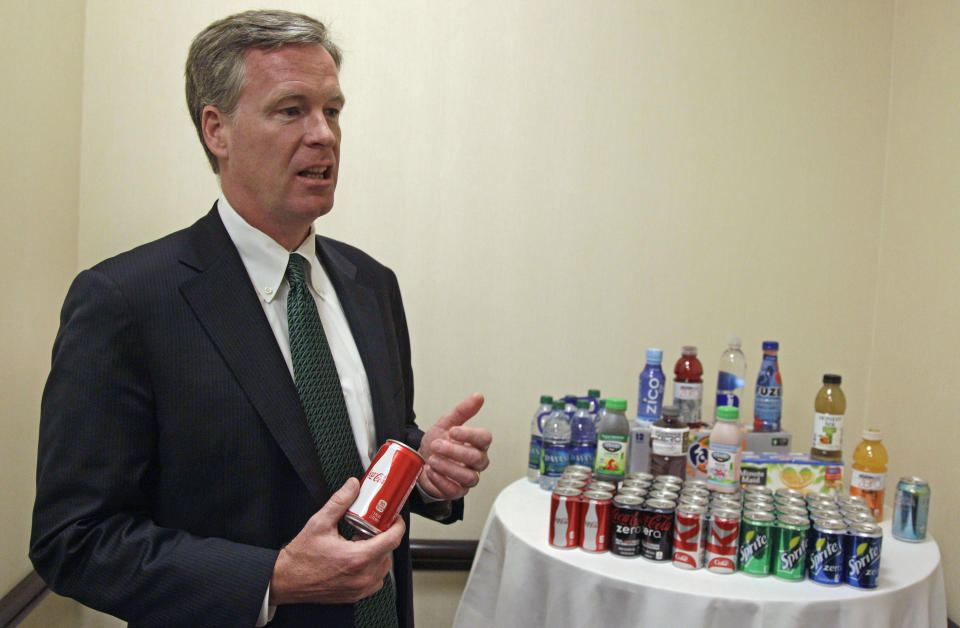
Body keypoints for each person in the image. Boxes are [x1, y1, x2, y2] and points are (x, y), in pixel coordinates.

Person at [29, 10, 492, 628]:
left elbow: (375, 447)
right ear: (217, 130)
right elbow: (75, 541)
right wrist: (272, 580)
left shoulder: (371, 283)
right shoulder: (125, 301)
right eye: (290, 109)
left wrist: (424, 472)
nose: (323, 134)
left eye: (332, 110)